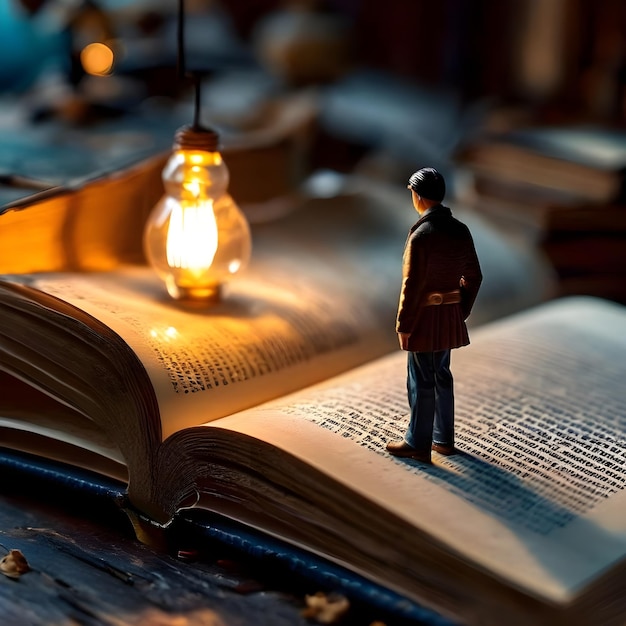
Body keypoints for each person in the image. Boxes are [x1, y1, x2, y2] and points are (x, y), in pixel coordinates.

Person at [386, 167, 482, 464]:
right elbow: (474, 276)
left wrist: (404, 324)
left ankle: (418, 443)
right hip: (449, 316)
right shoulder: (460, 229)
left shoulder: (422, 235)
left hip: (425, 318)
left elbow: (412, 285)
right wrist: (459, 310)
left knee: (421, 379)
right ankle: (443, 439)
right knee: (442, 375)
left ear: (418, 196)